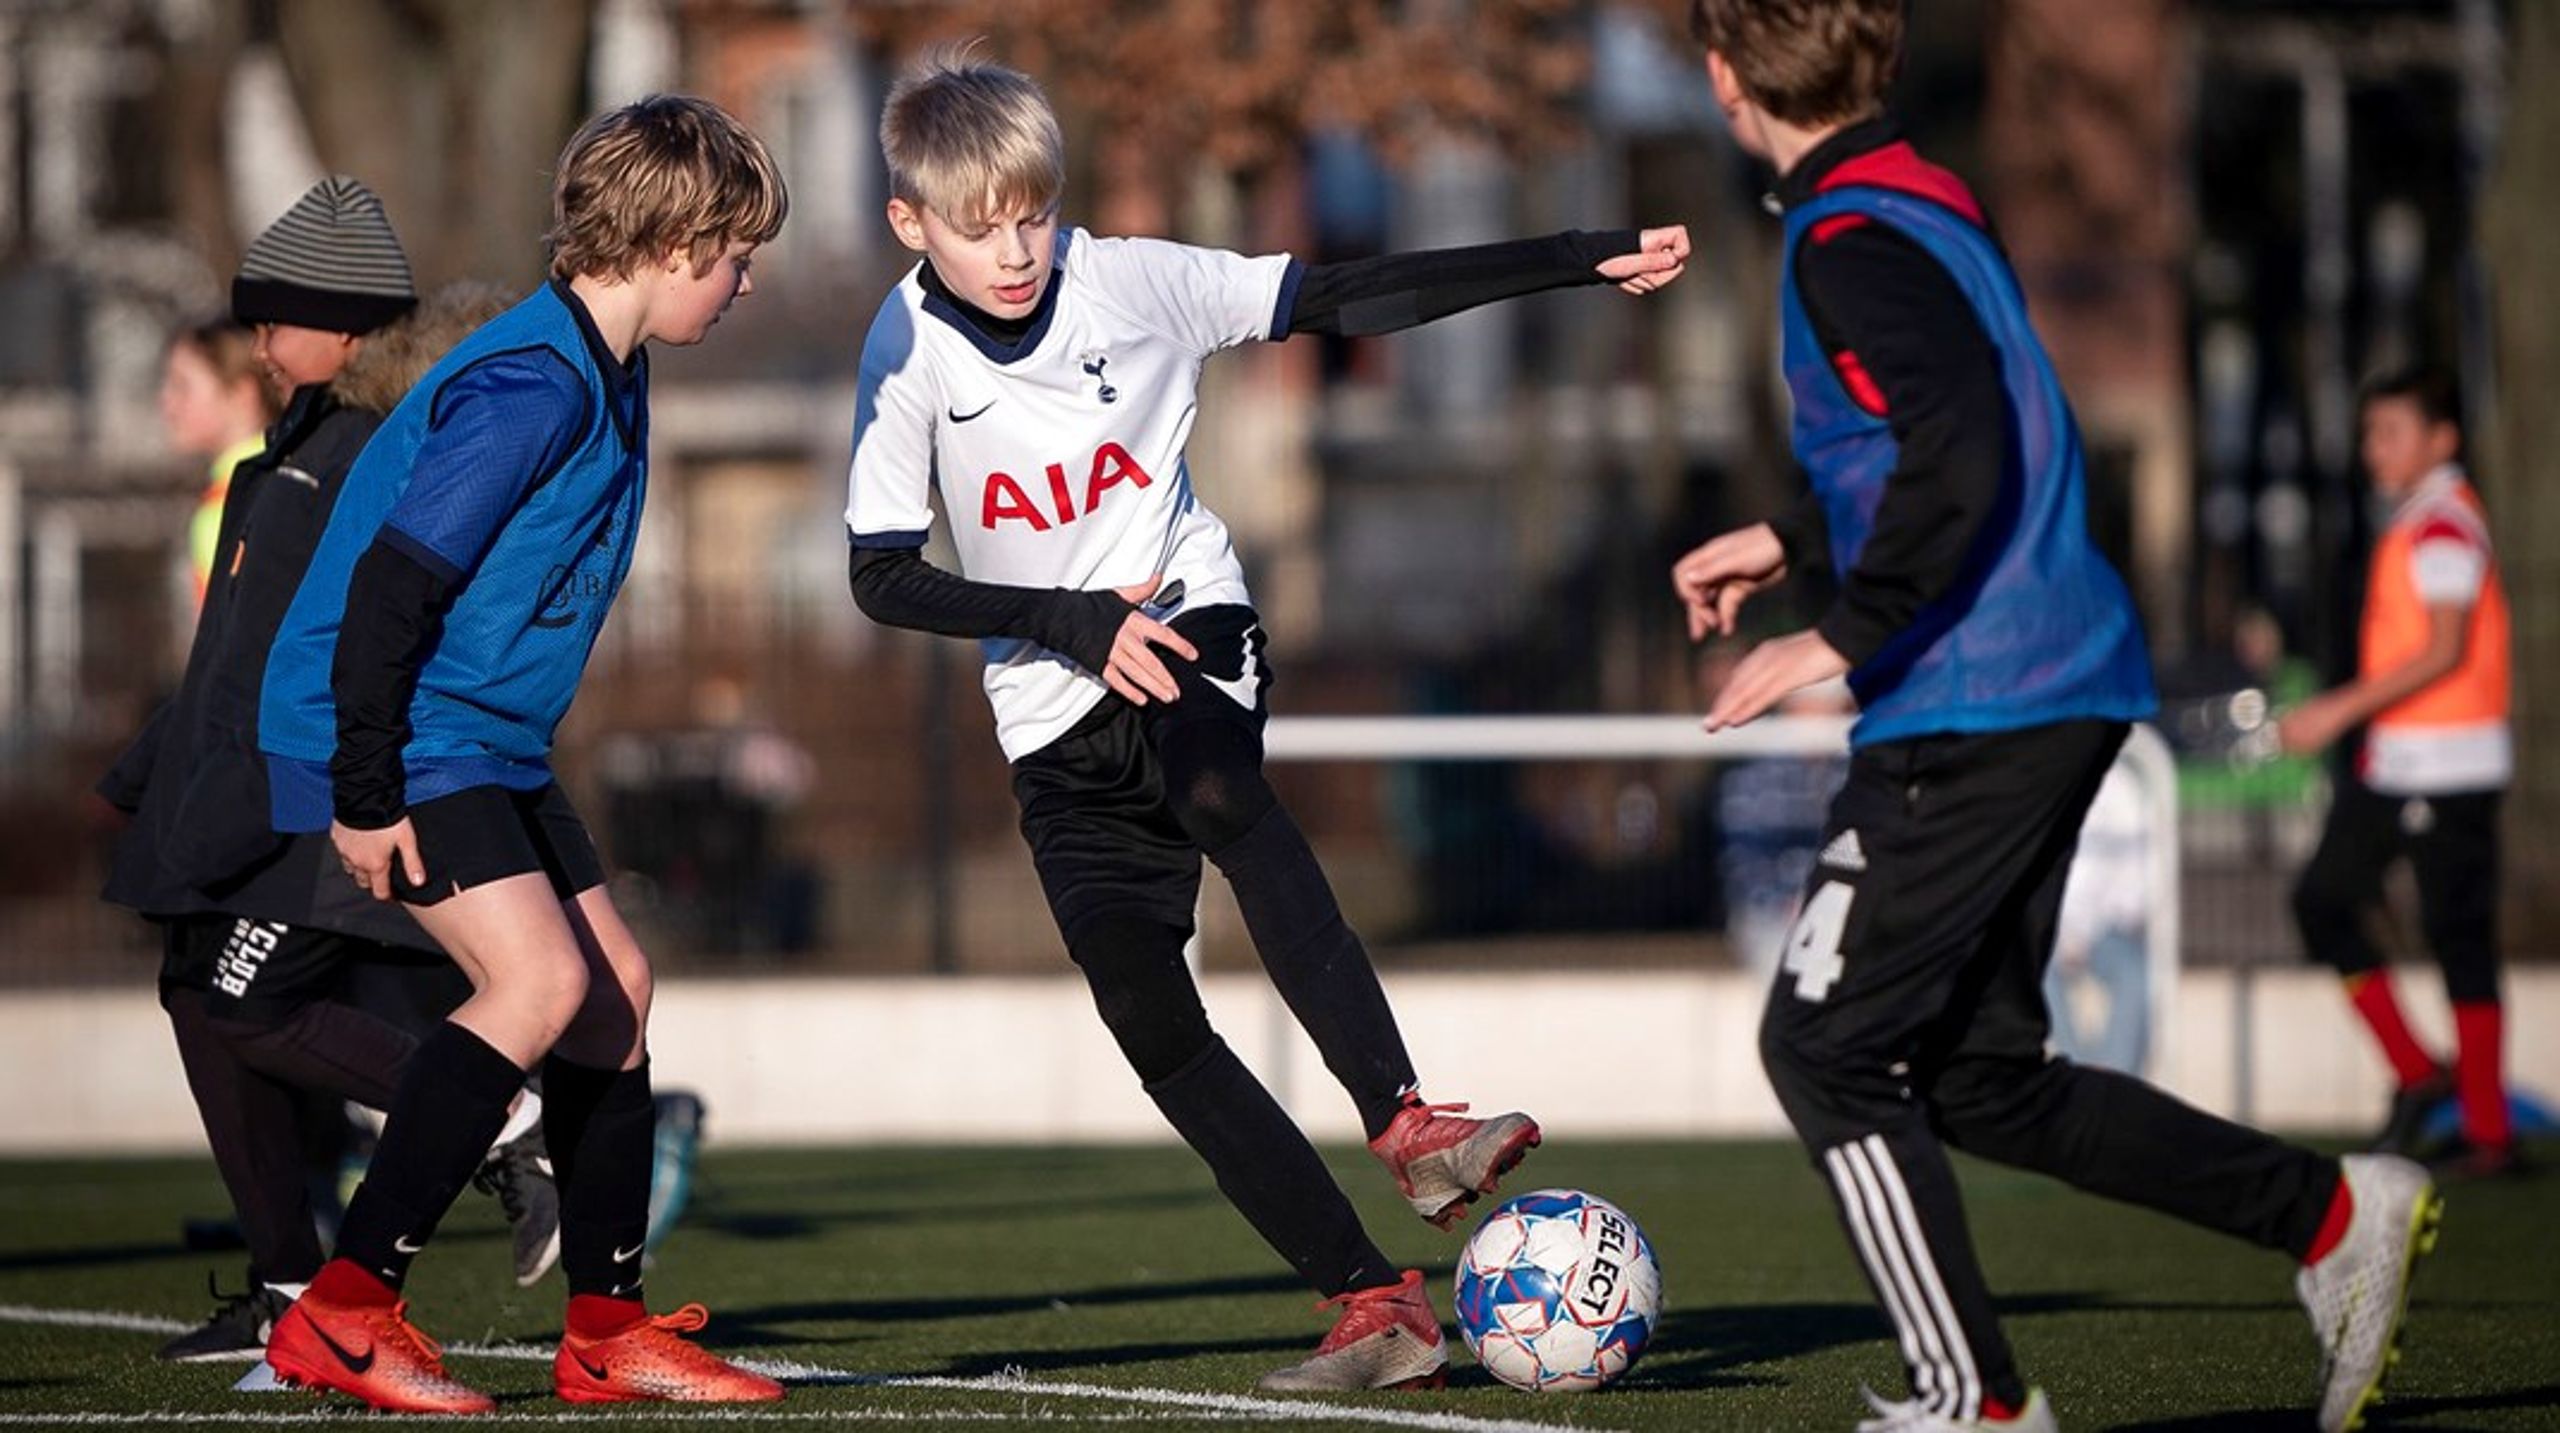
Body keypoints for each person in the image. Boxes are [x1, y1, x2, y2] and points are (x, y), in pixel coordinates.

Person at [842, 49, 1687, 1394]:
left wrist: (1575, 258)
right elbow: (881, 573)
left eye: (1033, 215)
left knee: (1220, 791)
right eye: (977, 225)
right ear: (910, 223)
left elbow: (1351, 293)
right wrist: (1069, 620)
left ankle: (1407, 1123)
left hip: (1188, 617)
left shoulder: (1129, 281)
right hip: (1051, 709)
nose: (1013, 251)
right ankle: (1372, 1302)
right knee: (1144, 1009)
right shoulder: (902, 351)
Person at [1668, 5, 2434, 1430]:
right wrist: (1796, 541)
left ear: (1724, 78)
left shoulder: (1844, 238)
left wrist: (1838, 629)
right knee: (1978, 1075)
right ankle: (2329, 1216)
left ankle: (1973, 1398)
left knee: (1826, 1045)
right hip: (2058, 677)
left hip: (1978, 698)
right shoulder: (1922, 196)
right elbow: (1964, 438)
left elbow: (1964, 452)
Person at [251, 96, 788, 1414]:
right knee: (538, 983)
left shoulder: (612, 364)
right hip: (400, 726)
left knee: (616, 992)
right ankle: (343, 1308)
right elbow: (390, 591)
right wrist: (365, 790)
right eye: (735, 256)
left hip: (479, 732)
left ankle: (607, 1330)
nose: (745, 281)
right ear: (673, 245)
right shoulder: (529, 385)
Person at [98, 179, 556, 1365]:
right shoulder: (294, 445)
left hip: (300, 789)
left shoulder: (359, 451)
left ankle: (495, 1108)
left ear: (347, 329)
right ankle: (287, 1284)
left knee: (246, 1003)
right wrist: (147, 770)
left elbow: (329, 647)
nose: (256, 338)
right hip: (229, 780)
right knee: (196, 998)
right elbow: (229, 650)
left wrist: (306, 779)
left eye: (277, 317)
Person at [2281, 367, 2516, 1178]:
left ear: (2441, 440)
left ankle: (2486, 1131)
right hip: (2402, 762)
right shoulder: (2418, 519)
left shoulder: (2444, 524)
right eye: (2369, 433)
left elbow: (2446, 649)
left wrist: (2336, 711)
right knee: (2323, 901)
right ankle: (2420, 1074)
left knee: (2458, 937)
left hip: (2449, 767)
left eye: (2390, 432)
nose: (2372, 448)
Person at [157, 317, 281, 606]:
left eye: (182, 386)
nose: (166, 400)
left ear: (241, 394)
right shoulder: (295, 473)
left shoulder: (228, 506)